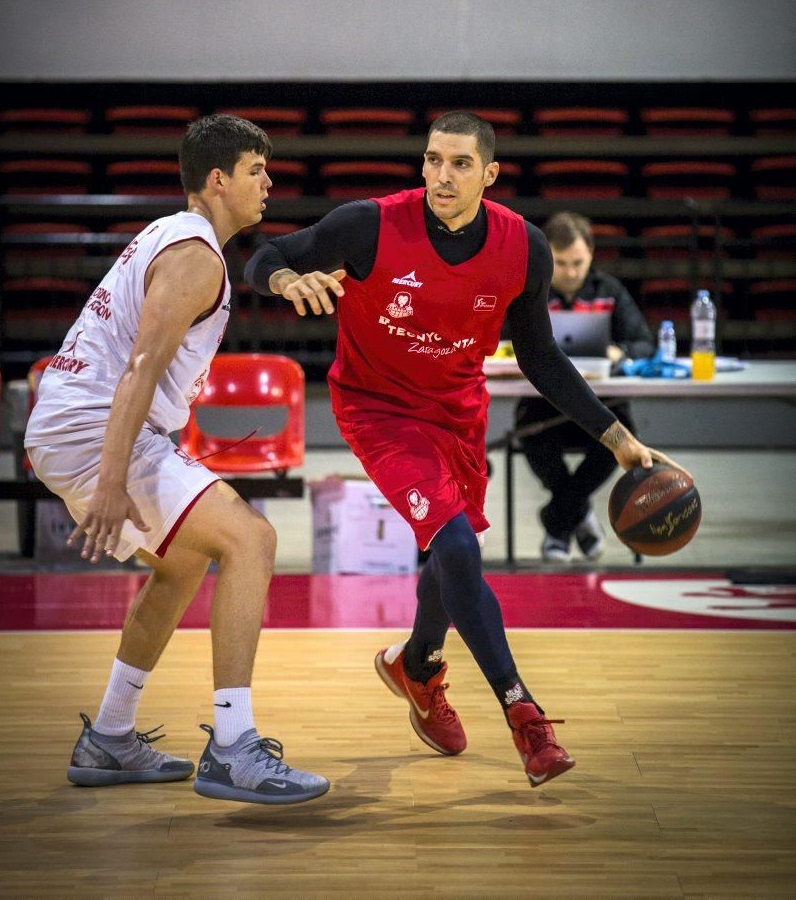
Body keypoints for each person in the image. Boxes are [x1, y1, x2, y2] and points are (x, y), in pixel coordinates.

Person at [244, 110, 679, 790]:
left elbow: (540, 355)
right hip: (379, 410)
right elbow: (265, 255)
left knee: (454, 556)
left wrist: (615, 436)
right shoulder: (369, 225)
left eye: (459, 163)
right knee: (456, 547)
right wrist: (283, 282)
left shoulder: (524, 247)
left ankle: (416, 664)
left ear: (490, 173)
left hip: (457, 413)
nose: (441, 175)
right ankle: (525, 717)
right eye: (432, 159)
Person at [24, 113, 329, 806]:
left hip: (77, 422)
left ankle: (109, 734)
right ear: (218, 180)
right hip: (93, 426)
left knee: (185, 558)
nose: (269, 182)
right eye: (256, 170)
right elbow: (137, 368)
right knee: (251, 538)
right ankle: (233, 747)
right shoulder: (195, 256)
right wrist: (109, 481)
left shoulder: (174, 236)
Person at [515, 211, 655, 563]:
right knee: (529, 434)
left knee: (626, 436)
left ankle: (557, 523)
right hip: (542, 404)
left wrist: (618, 352)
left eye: (577, 262)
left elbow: (644, 343)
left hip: (602, 405)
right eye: (560, 263)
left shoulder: (611, 291)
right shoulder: (527, 291)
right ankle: (578, 517)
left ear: (591, 252)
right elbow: (504, 344)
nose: (571, 272)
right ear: (546, 255)